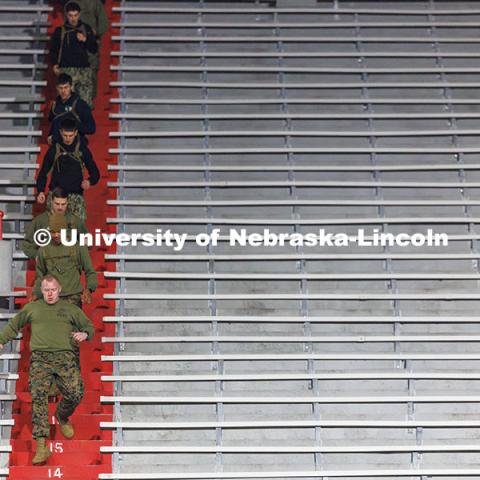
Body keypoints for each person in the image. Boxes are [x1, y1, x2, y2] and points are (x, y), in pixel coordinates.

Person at [0, 275, 94, 465]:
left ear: (59, 290)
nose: (50, 294)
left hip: (64, 357)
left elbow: (89, 326)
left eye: (53, 290)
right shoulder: (33, 308)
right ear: (41, 291)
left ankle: (62, 415)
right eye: (46, 290)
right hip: (40, 359)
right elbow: (14, 325)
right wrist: (1, 340)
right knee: (38, 398)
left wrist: (85, 333)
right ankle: (41, 446)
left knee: (76, 393)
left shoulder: (70, 309)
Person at [36, 117, 100, 221]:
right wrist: (41, 191)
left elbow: (95, 173)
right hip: (56, 196)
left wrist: (89, 181)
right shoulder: (54, 150)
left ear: (75, 133)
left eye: (70, 135)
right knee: (55, 232)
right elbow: (43, 172)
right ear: (60, 132)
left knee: (78, 232)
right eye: (65, 135)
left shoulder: (82, 149)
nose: (68, 138)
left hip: (76, 197)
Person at [32, 213, 97, 308]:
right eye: (53, 232)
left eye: (59, 231)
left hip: (74, 297)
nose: (56, 235)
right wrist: (36, 294)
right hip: (53, 298)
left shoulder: (78, 247)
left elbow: (90, 271)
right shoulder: (44, 250)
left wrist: (89, 289)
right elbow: (40, 276)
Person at [50, 1, 98, 107]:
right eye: (70, 15)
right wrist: (54, 64)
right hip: (66, 70)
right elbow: (53, 50)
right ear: (66, 15)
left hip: (83, 70)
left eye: (75, 15)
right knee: (65, 104)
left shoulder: (86, 29)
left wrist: (86, 39)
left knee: (85, 104)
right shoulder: (60, 31)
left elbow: (94, 49)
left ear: (79, 14)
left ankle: (83, 123)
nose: (73, 18)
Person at [22, 187, 88, 260]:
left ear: (67, 203)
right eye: (57, 204)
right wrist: (36, 255)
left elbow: (87, 241)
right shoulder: (40, 220)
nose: (60, 207)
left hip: (70, 266)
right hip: (48, 266)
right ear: (52, 202)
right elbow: (27, 244)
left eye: (63, 204)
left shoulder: (75, 221)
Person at [66, 0, 108, 99]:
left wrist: (94, 32)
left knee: (91, 74)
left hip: (90, 47)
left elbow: (104, 24)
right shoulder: (72, 3)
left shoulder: (96, 3)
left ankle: (88, 102)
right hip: (74, 48)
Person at [48, 73, 96, 145]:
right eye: (60, 88)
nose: (63, 91)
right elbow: (53, 124)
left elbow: (91, 128)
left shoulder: (80, 104)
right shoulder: (54, 105)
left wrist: (73, 127)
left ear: (71, 87)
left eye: (66, 87)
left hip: (77, 146)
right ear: (57, 88)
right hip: (58, 147)